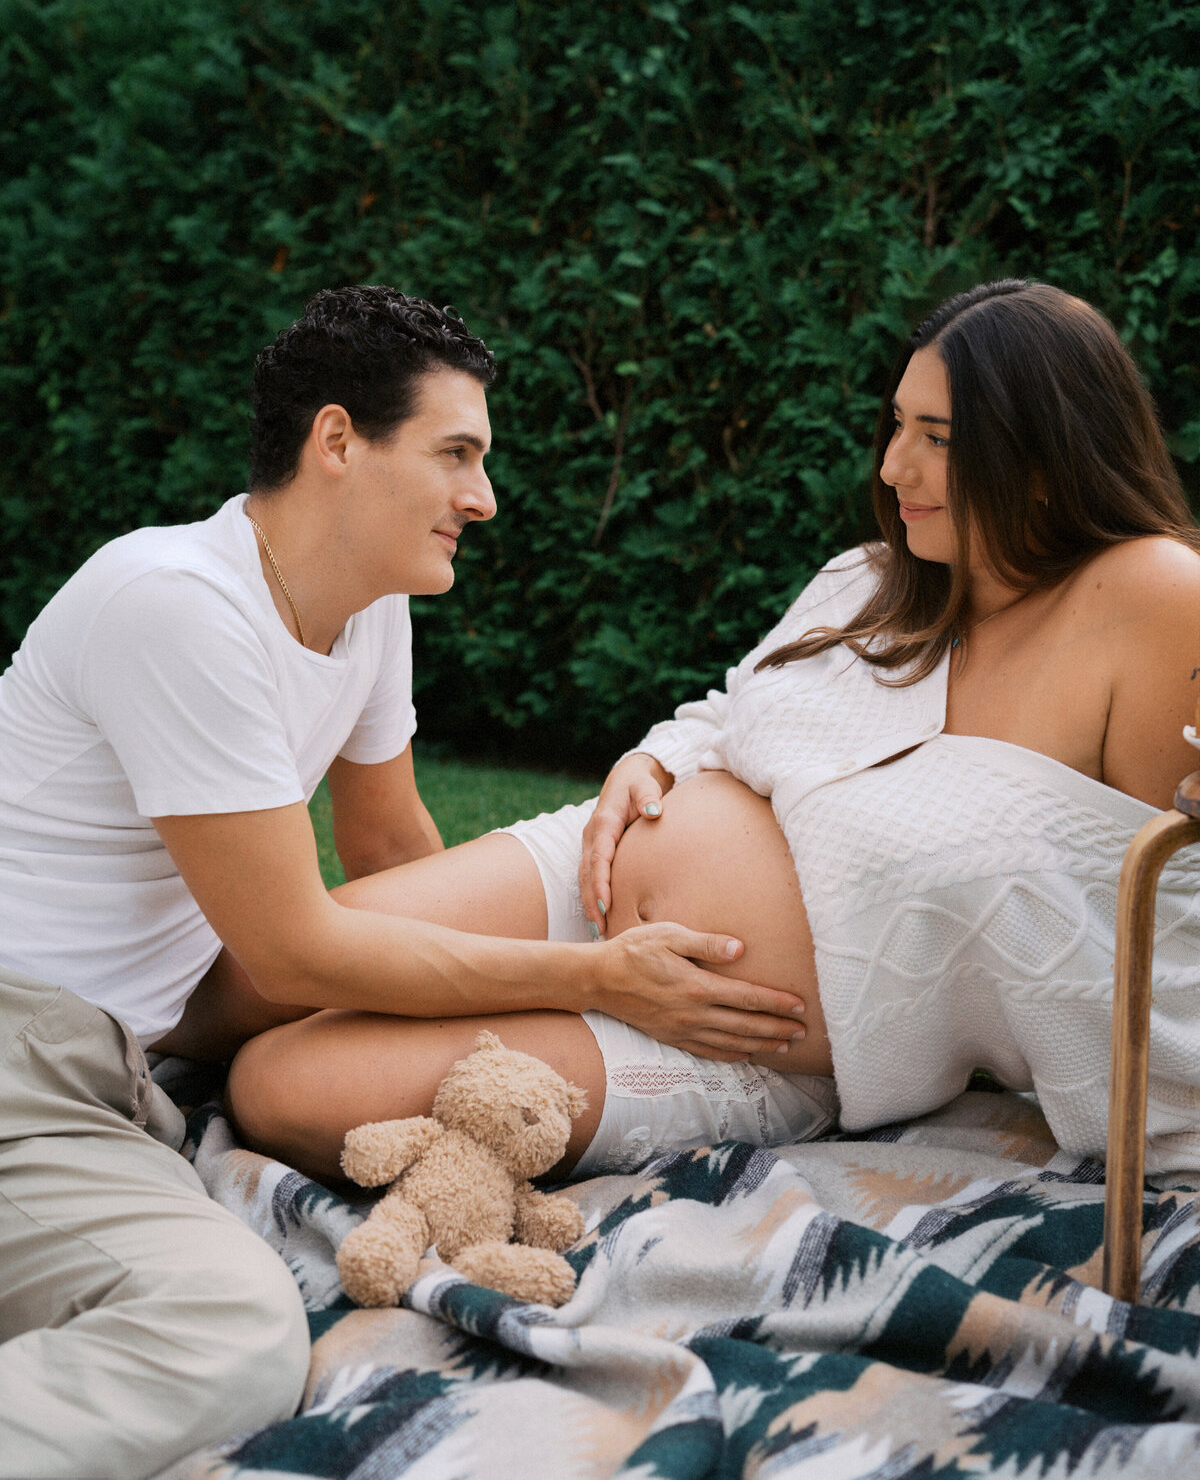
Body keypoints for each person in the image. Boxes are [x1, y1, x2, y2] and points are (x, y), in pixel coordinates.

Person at [0, 285, 805, 1480]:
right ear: (337, 440)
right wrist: (598, 978)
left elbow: (389, 855)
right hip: (25, 1051)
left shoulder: (364, 614)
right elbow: (293, 952)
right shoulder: (177, 604)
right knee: (226, 1331)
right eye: (456, 453)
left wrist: (477, 1071)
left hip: (108, 1059)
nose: (485, 496)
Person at [227, 278, 1200, 1188]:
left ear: (1046, 449)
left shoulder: (1150, 597)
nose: (893, 465)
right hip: (589, 876)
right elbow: (731, 712)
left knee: (282, 1086)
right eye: (898, 425)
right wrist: (653, 757)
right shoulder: (873, 578)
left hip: (730, 1036)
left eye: (937, 436)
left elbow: (1171, 921)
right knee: (240, 983)